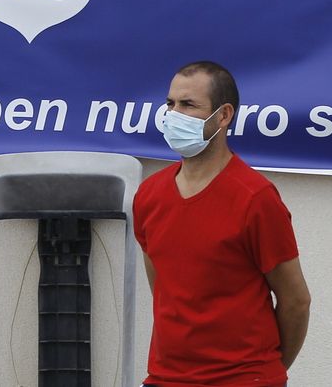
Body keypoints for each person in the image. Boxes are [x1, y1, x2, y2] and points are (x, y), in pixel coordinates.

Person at [134, 61, 312, 386]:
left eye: (188, 105)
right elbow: (163, 288)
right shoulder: (149, 195)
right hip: (165, 378)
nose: (173, 115)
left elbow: (295, 301)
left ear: (223, 115)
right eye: (170, 104)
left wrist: (264, 373)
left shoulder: (255, 198)